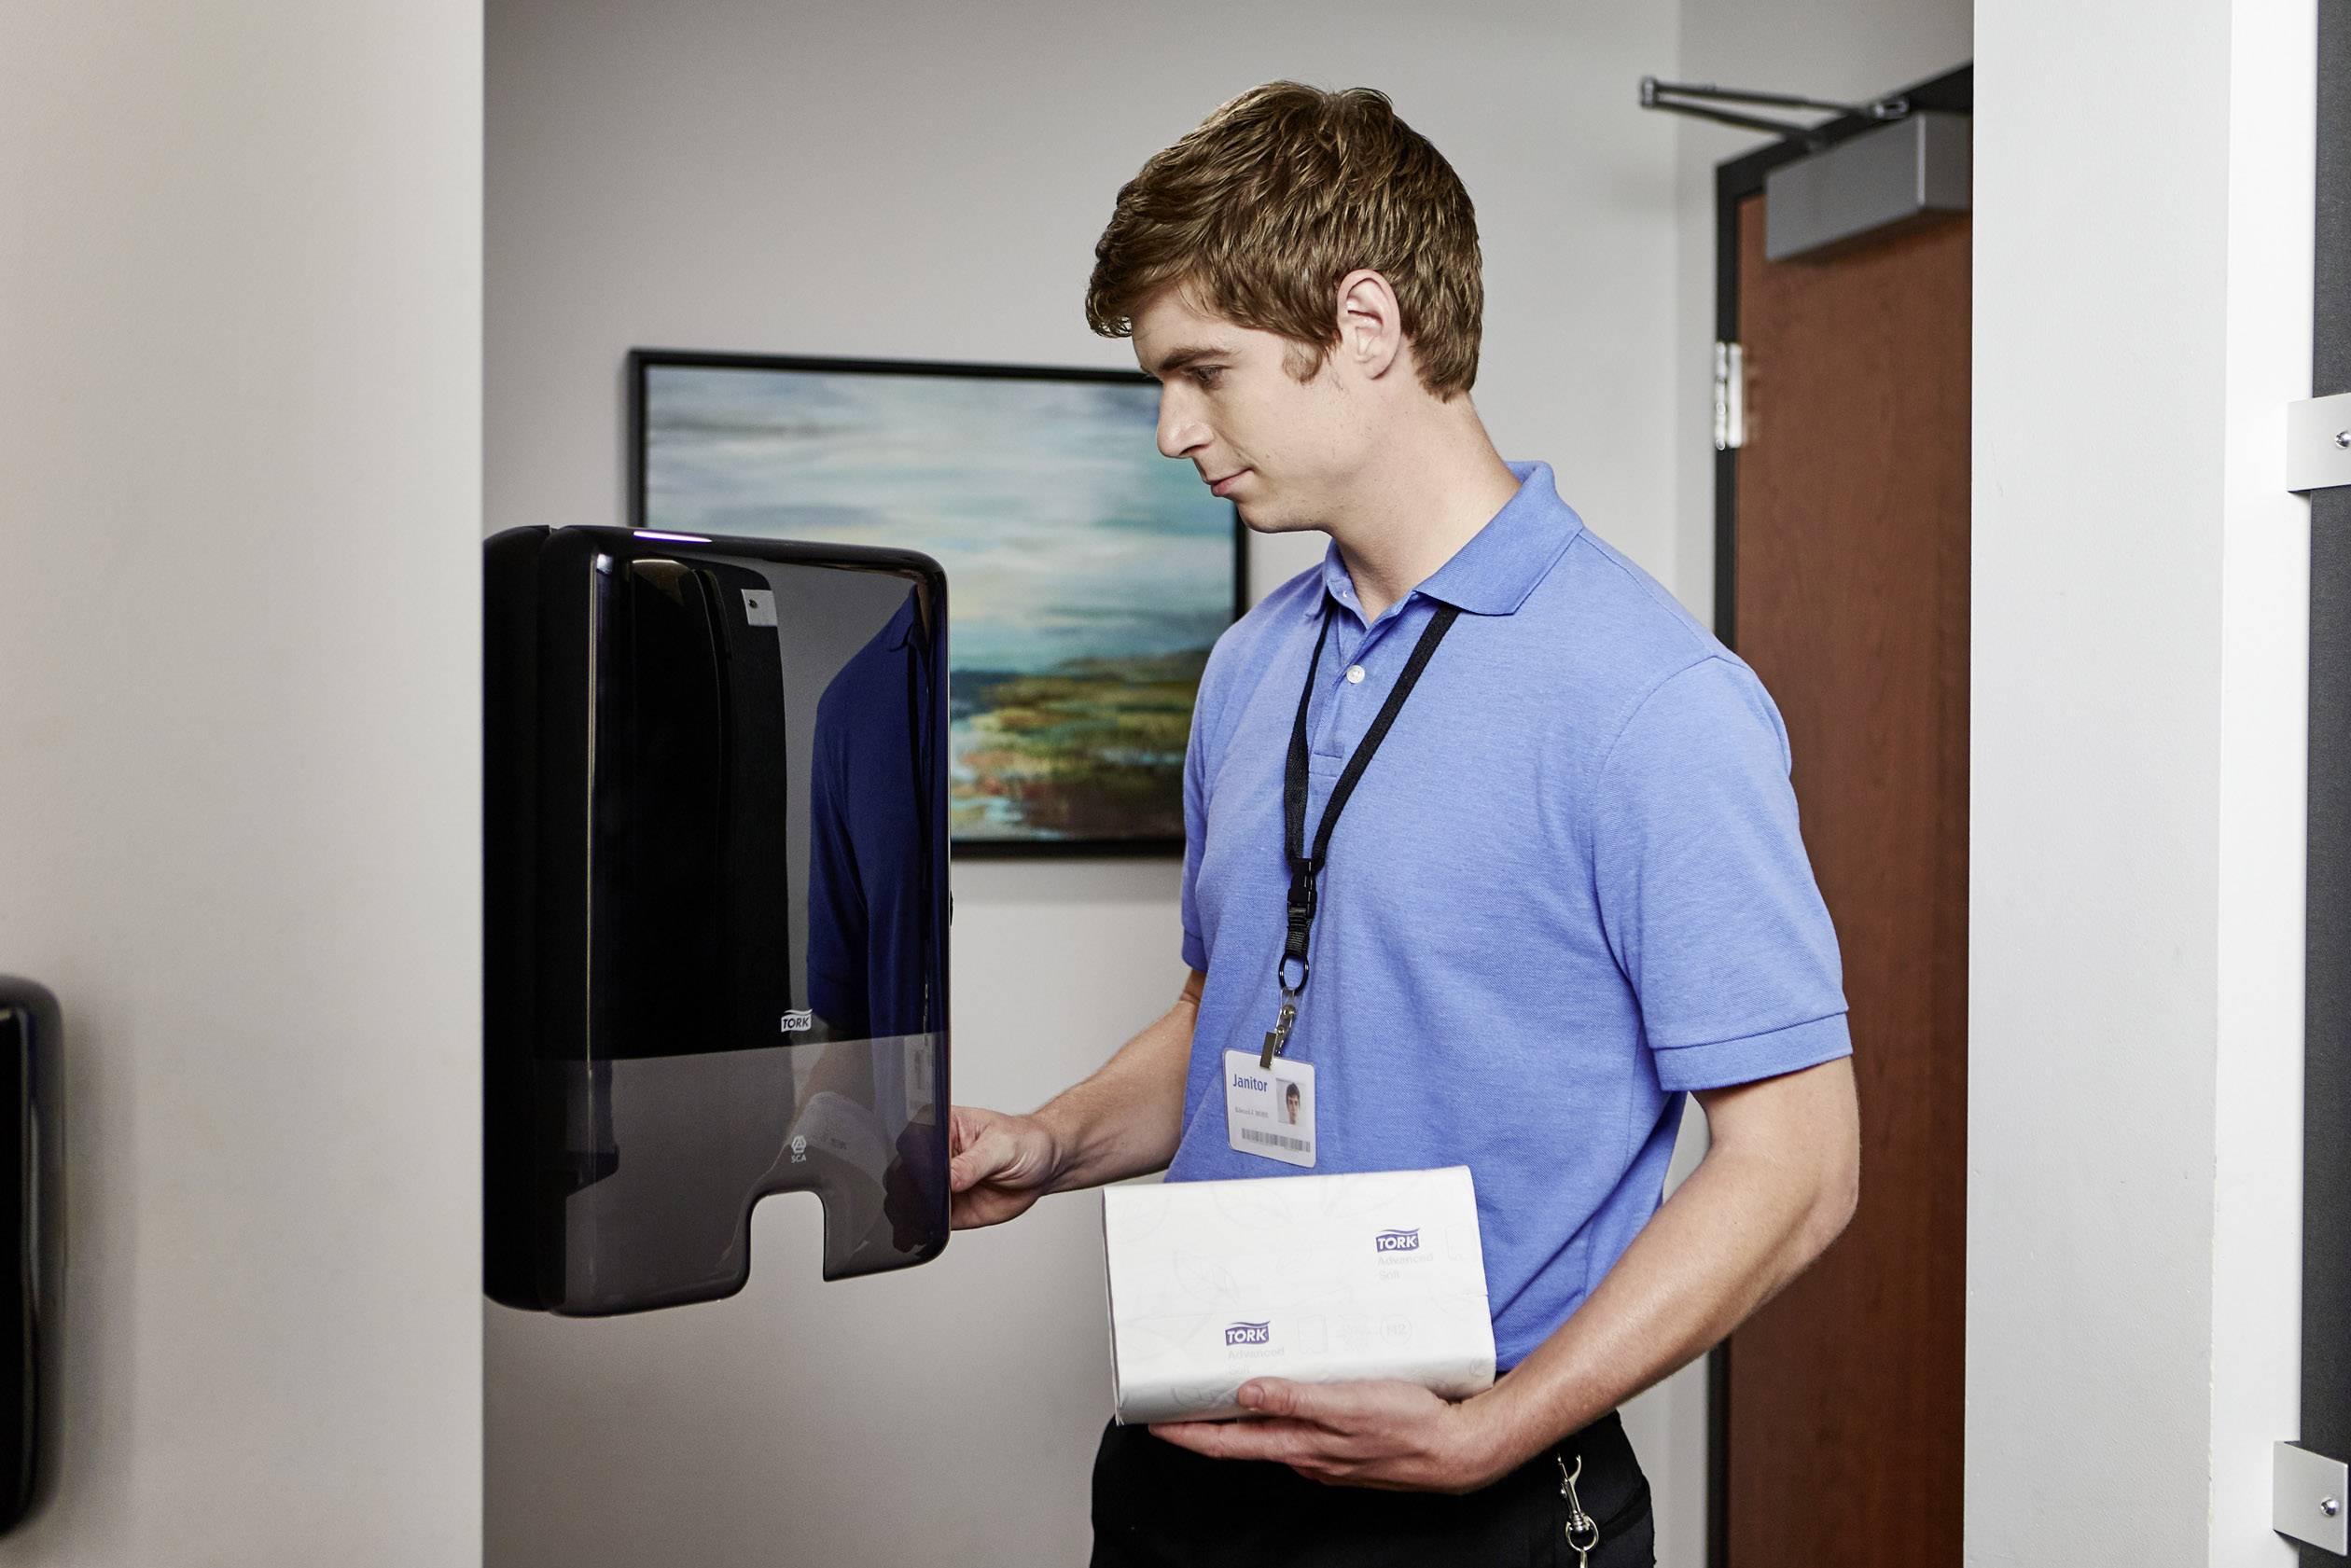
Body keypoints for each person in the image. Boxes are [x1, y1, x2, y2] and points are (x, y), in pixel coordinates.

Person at [947, 80, 1860, 1568]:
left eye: (1204, 371)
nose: (1174, 430)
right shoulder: (1252, 663)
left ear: (1363, 327)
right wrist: (1050, 1141)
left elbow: (1800, 1164)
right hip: (1183, 1472)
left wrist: (1493, 1431)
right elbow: (1232, 1010)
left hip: (1475, 1495)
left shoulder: (1654, 696)